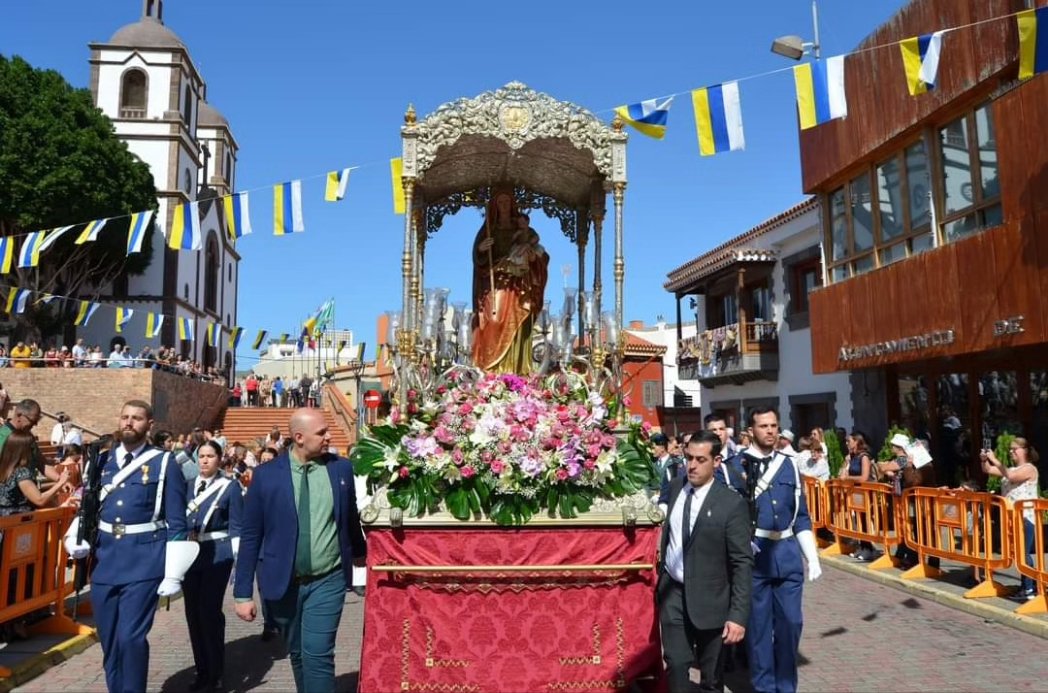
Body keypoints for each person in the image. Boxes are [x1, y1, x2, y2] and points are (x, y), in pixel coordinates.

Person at [63, 400, 197, 693]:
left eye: (136, 418)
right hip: (106, 559)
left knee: (130, 637)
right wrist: (74, 538)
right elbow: (88, 506)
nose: (128, 423)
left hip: (145, 558)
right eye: (125, 417)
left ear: (149, 425)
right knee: (110, 640)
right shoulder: (101, 461)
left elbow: (176, 520)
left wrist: (173, 573)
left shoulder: (164, 462)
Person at [233, 408, 367, 693]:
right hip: (283, 583)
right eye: (321, 433)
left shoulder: (340, 469)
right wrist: (242, 592)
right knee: (298, 652)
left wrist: (359, 552)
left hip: (327, 579)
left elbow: (349, 517)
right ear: (298, 437)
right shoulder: (266, 476)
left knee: (318, 653)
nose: (329, 436)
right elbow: (250, 535)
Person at [658, 431, 752, 692]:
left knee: (711, 679)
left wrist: (738, 616)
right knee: (676, 665)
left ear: (717, 461)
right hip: (674, 595)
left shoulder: (731, 504)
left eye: (700, 459)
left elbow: (742, 562)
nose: (692, 465)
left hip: (713, 603)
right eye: (689, 458)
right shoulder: (676, 487)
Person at [742, 407, 822, 693]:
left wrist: (811, 557)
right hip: (755, 558)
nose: (770, 431)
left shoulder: (789, 465)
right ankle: (764, 687)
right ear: (751, 431)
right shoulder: (736, 465)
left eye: (774, 425)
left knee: (791, 624)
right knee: (759, 630)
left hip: (787, 555)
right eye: (763, 426)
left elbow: (800, 515)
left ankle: (787, 687)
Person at [184, 440, 243, 691]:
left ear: (220, 459)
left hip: (217, 556)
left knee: (208, 613)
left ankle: (215, 672)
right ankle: (202, 670)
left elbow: (237, 525)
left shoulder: (229, 488)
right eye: (202, 456)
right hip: (189, 556)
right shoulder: (187, 487)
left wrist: (239, 562)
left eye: (210, 456)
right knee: (192, 615)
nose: (205, 460)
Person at [471, 191, 549, 374]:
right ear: (494, 205)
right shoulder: (489, 229)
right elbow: (478, 259)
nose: (504, 204)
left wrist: (532, 258)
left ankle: (517, 372)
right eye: (500, 201)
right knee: (494, 319)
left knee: (520, 320)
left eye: (507, 201)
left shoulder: (522, 229)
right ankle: (490, 371)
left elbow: (540, 254)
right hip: (496, 280)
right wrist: (481, 250)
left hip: (518, 283)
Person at [982, 438, 1040, 601]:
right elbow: (988, 470)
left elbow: (1012, 477)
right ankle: (1026, 585)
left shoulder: (1029, 469)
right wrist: (985, 459)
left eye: (1015, 449)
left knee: (1023, 553)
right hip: (1010, 517)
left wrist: (994, 459)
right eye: (1010, 449)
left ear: (1025, 450)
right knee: (1017, 553)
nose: (1011, 451)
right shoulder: (1011, 468)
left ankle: (1030, 588)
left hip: (1024, 517)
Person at [0, 431, 70, 515]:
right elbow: (39, 500)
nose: (34, 452)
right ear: (23, 450)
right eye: (32, 448)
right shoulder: (21, 472)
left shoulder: (4, 468)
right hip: (18, 522)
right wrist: (61, 482)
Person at [0, 399, 62, 485]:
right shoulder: (2, 436)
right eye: (32, 420)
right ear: (19, 415)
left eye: (37, 421)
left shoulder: (29, 436)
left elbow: (41, 462)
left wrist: (60, 480)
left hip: (28, 493)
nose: (35, 424)